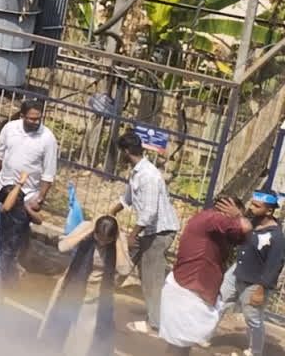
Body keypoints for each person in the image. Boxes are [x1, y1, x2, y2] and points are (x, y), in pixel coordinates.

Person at [159, 196, 252, 354]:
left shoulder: (210, 220)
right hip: (190, 289)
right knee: (180, 344)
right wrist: (239, 216)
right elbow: (246, 228)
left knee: (180, 343)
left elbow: (245, 239)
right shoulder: (214, 219)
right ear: (227, 209)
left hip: (189, 286)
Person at [109, 130, 179, 336]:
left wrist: (132, 236)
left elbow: (149, 213)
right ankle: (98, 299)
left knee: (150, 279)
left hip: (158, 233)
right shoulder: (137, 171)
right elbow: (128, 199)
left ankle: (155, 325)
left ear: (126, 151)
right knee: (121, 263)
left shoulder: (149, 176)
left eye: (121, 152)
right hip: (145, 231)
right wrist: (112, 211)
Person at [39, 215, 132, 356]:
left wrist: (118, 241)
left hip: (97, 292)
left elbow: (124, 269)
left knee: (85, 333)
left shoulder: (119, 239)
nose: (102, 243)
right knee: (60, 322)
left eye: (107, 241)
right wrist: (88, 231)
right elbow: (62, 246)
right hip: (72, 284)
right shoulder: (86, 227)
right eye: (99, 238)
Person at [219, 190, 285, 356]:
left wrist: (261, 290)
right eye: (252, 203)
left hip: (255, 282)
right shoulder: (252, 223)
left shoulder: (276, 237)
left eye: (257, 205)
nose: (252, 207)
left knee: (253, 318)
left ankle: (255, 351)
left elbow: (274, 265)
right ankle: (202, 333)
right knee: (218, 303)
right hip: (236, 273)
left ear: (269, 211)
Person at [0, 99, 58, 211]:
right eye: (32, 119)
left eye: (39, 119)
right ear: (22, 116)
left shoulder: (47, 138)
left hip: (27, 195)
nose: (36, 122)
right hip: (2, 188)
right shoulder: (10, 128)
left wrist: (40, 198)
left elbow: (48, 173)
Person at [0, 173, 41, 300]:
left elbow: (39, 220)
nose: (19, 204)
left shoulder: (21, 213)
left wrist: (26, 207)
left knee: (7, 286)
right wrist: (20, 183)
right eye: (17, 201)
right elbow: (7, 206)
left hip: (12, 254)